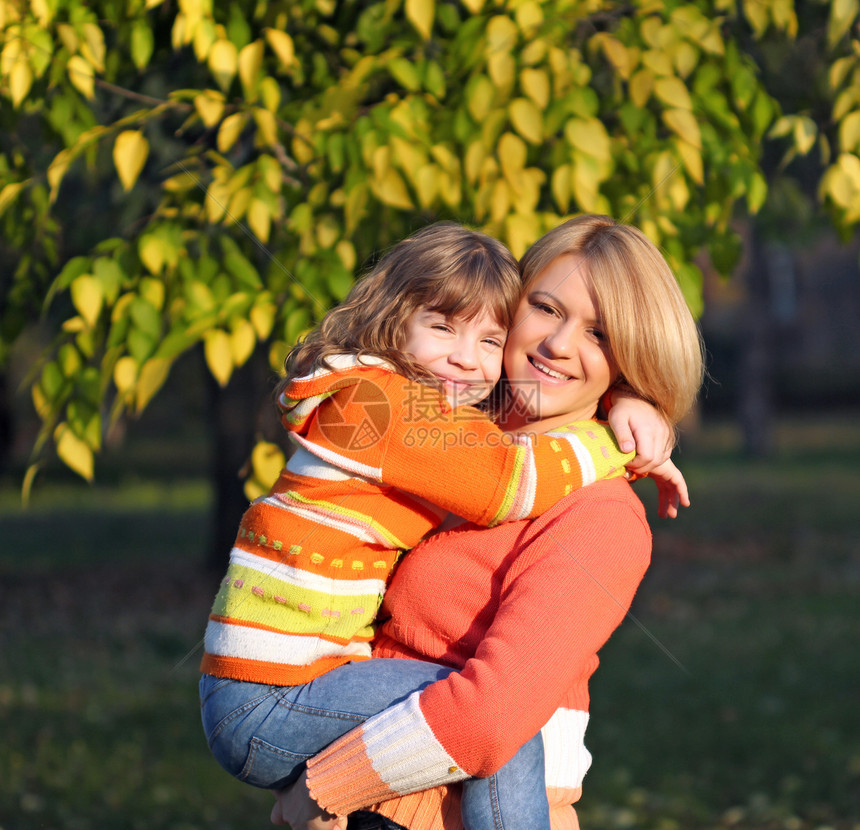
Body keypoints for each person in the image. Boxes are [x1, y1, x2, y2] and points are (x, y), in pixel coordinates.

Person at [199, 222, 682, 830]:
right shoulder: (447, 435)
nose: (558, 344)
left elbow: (491, 719)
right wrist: (617, 426)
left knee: (511, 740)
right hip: (347, 774)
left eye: (600, 334)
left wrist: (323, 790)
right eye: (545, 308)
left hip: (430, 810)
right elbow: (503, 474)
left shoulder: (598, 515)